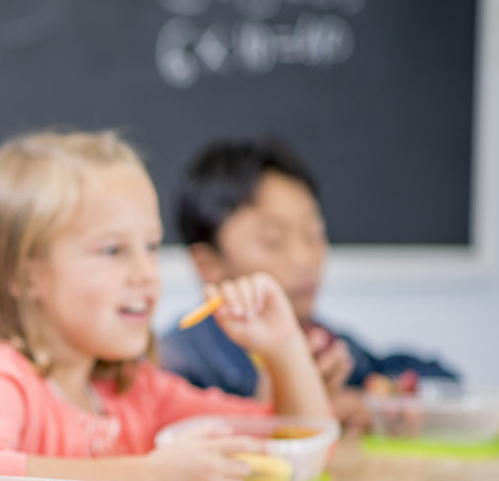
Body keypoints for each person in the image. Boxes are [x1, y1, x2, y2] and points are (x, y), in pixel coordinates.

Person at [0, 128, 332, 481]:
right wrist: (151, 478)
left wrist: (284, 346)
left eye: (151, 246)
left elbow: (298, 445)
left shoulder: (137, 389)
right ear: (24, 275)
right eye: (112, 251)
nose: (146, 273)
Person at [159, 137, 459, 432]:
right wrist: (278, 406)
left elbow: (443, 381)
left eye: (314, 234)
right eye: (273, 241)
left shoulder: (324, 344)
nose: (305, 259)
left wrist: (376, 403)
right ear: (207, 263)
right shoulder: (178, 360)